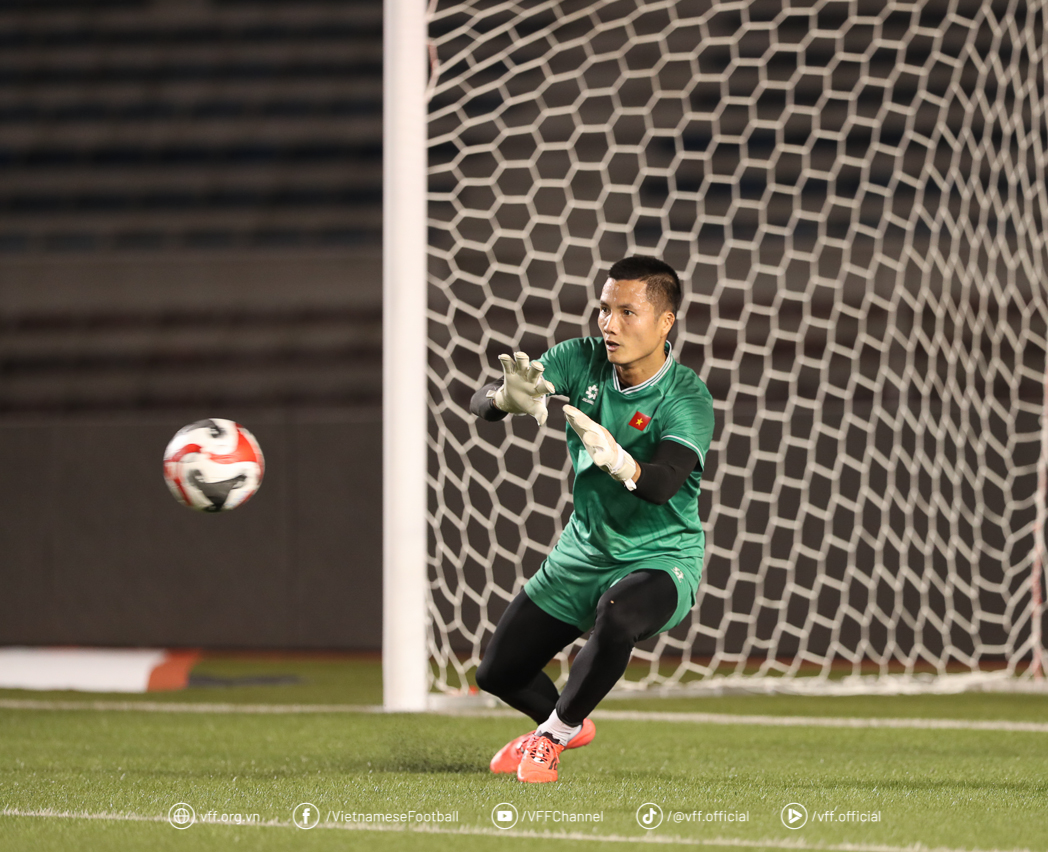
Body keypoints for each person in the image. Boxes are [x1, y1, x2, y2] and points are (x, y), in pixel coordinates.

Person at [469, 255, 715, 783]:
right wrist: (501, 398)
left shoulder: (687, 396)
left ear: (665, 321)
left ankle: (550, 738)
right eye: (604, 309)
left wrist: (625, 462)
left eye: (628, 312)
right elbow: (483, 400)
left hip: (660, 556)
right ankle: (567, 723)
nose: (609, 323)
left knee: (619, 613)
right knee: (497, 673)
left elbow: (665, 481)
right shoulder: (580, 359)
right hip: (583, 551)